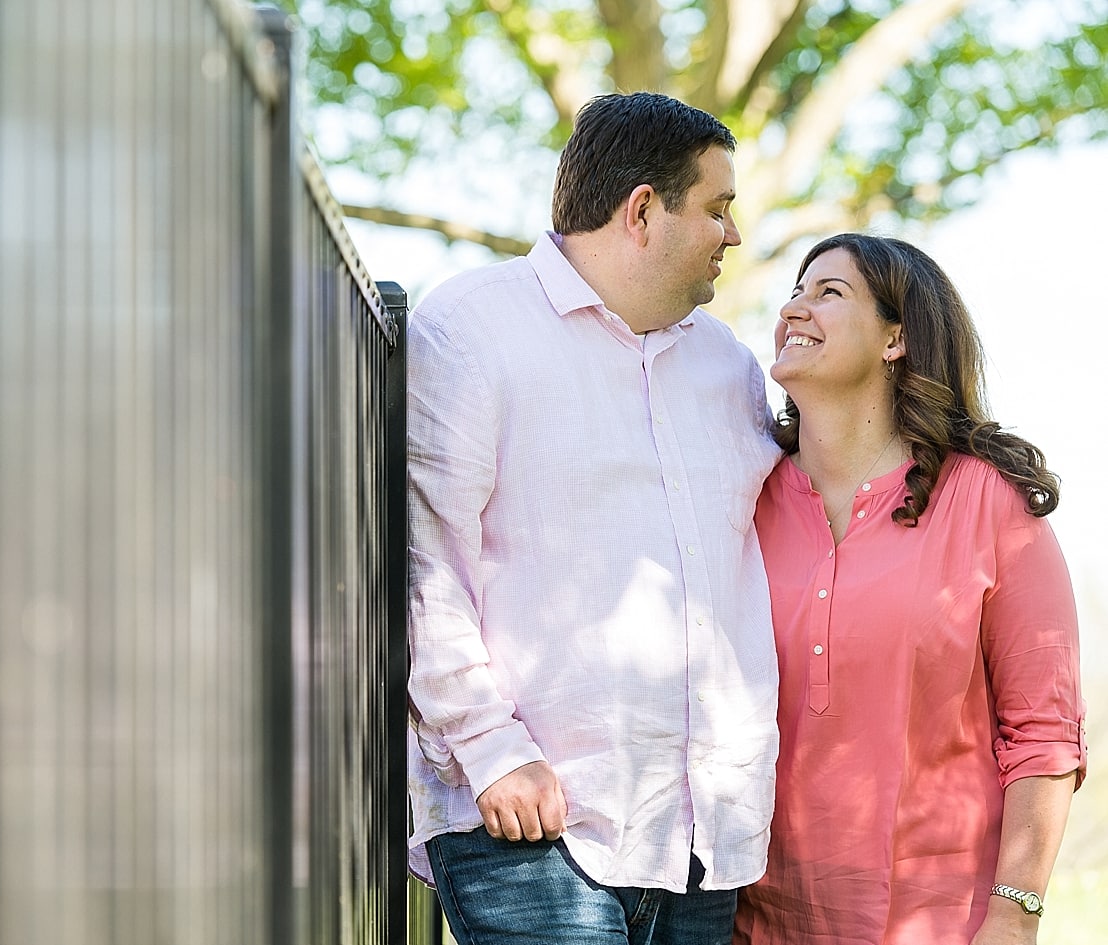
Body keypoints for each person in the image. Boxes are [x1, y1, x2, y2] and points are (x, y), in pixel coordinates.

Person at [406, 91, 783, 945]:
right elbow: (426, 564)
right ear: (642, 209)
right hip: (533, 826)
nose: (733, 234)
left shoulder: (728, 367)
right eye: (718, 208)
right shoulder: (470, 330)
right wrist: (493, 751)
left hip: (703, 844)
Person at [734, 234, 1087, 945]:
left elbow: (1044, 732)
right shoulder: (743, 496)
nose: (793, 308)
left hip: (939, 922)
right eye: (797, 290)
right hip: (750, 922)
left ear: (898, 337)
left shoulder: (989, 504)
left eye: (828, 292)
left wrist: (1013, 916)